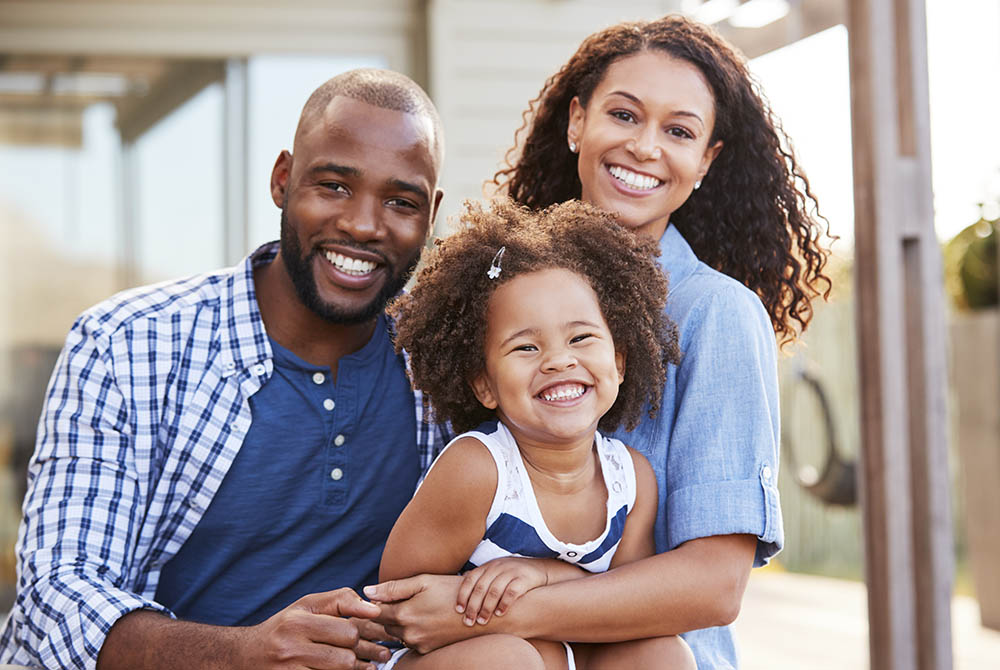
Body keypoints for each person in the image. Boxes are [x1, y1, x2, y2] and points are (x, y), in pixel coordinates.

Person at [365, 14, 832, 670]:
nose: (645, 147)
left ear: (706, 160)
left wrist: (504, 602)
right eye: (624, 114)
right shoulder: (497, 287)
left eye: (678, 131)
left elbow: (714, 583)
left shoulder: (717, 317)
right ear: (577, 121)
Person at [0, 68, 450, 670]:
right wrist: (247, 653)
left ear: (431, 213)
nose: (364, 225)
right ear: (283, 180)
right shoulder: (126, 346)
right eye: (335, 186)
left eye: (401, 202)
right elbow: (54, 598)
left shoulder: (444, 369)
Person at [379, 199, 692, 670]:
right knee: (514, 660)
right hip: (456, 660)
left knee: (662, 653)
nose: (558, 361)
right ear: (484, 384)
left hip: (564, 649)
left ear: (620, 361)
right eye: (526, 346)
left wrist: (543, 574)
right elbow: (399, 605)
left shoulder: (631, 480)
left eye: (581, 338)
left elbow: (627, 608)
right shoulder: (479, 470)